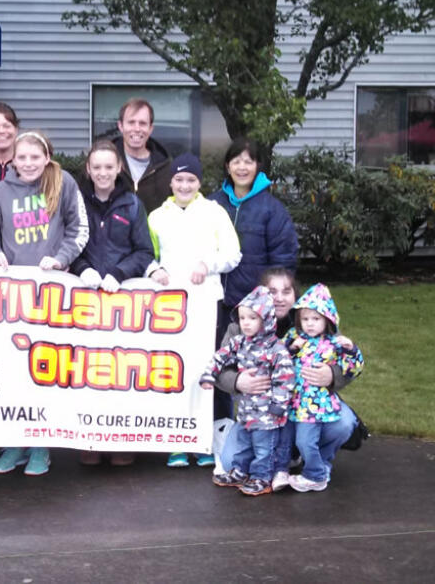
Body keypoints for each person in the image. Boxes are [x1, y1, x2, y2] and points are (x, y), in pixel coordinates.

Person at [0, 130, 90, 476]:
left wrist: (61, 259)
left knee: (44, 368)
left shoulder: (64, 183)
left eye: (35, 157)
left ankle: (41, 445)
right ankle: (15, 442)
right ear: (12, 159)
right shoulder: (1, 190)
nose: (28, 163)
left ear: (47, 157)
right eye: (22, 157)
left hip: (53, 292)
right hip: (13, 295)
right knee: (13, 368)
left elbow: (79, 230)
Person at [214, 268, 363, 491]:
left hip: (308, 404)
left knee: (343, 424)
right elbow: (220, 369)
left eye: (286, 291)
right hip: (259, 409)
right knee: (229, 461)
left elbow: (345, 360)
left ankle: (316, 465)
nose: (279, 298)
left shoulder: (312, 320)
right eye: (272, 291)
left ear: (296, 296)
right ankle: (277, 461)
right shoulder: (240, 325)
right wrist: (237, 381)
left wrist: (331, 374)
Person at [147, 152, 242, 469]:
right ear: (170, 182)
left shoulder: (214, 213)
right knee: (173, 370)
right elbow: (148, 254)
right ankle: (176, 442)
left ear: (200, 182)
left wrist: (208, 264)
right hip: (171, 307)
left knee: (206, 372)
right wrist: (153, 272)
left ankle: (204, 441)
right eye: (179, 179)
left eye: (191, 179)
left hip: (206, 303)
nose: (184, 185)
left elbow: (232, 254)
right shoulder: (157, 216)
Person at [70, 140, 155, 468]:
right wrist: (83, 269)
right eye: (97, 167)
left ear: (118, 168)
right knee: (87, 370)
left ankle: (119, 439)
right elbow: (69, 243)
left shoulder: (132, 204)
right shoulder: (76, 201)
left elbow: (145, 251)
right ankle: (90, 439)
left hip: (122, 302)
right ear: (88, 170)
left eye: (109, 166)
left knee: (119, 371)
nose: (103, 173)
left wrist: (119, 273)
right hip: (85, 300)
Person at [199, 286, 294, 496]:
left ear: (266, 319)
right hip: (245, 411)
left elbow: (285, 379)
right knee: (243, 444)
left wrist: (278, 405)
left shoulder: (276, 350)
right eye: (242, 318)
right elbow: (220, 357)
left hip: (267, 414)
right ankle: (240, 471)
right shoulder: (239, 342)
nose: (246, 323)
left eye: (252, 318)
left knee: (263, 449)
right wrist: (209, 375)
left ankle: (262, 477)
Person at [277, 283, 364, 492]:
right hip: (291, 401)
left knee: (306, 440)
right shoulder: (294, 337)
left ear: (328, 319)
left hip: (315, 405)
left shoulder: (334, 343)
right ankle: (281, 469)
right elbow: (277, 359)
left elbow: (353, 368)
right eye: (305, 319)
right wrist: (290, 349)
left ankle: (315, 474)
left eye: (316, 319)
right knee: (286, 439)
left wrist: (352, 350)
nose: (310, 324)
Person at [211, 138, 299, 340]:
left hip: (252, 307)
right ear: (228, 166)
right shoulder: (211, 204)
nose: (242, 167)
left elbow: (283, 260)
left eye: (248, 162)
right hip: (213, 302)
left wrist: (270, 298)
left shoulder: (272, 209)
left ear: (258, 166)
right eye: (236, 161)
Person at [111, 98, 172, 212]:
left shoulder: (165, 169)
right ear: (120, 126)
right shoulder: (104, 164)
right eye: (131, 122)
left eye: (142, 123)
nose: (137, 129)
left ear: (150, 128)